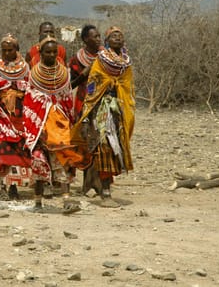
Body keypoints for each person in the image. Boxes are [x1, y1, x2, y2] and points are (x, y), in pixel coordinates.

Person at [72, 26, 135, 208]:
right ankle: (105, 193)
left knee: (117, 149)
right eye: (113, 35)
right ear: (107, 41)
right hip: (101, 108)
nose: (117, 37)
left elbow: (128, 86)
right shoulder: (101, 60)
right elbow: (93, 85)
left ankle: (101, 186)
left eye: (120, 35)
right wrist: (87, 115)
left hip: (118, 108)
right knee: (105, 147)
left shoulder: (125, 62)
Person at [23, 36, 83, 213]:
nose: (51, 55)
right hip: (39, 125)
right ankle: (38, 203)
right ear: (40, 53)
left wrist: (60, 115)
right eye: (47, 52)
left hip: (59, 124)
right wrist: (45, 107)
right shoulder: (33, 74)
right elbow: (29, 100)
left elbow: (66, 99)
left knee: (62, 162)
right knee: (39, 163)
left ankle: (66, 201)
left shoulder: (64, 73)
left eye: (54, 52)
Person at [0, 34, 31, 200]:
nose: (6, 53)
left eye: (10, 50)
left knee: (20, 148)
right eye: (4, 50)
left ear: (17, 49)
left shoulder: (25, 68)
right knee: (3, 147)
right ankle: (6, 185)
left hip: (20, 114)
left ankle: (16, 185)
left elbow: (30, 88)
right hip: (2, 113)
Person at [68, 25, 103, 194]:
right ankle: (88, 183)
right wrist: (85, 73)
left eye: (99, 36)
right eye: (94, 37)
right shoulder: (77, 59)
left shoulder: (107, 57)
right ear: (85, 40)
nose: (98, 39)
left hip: (103, 104)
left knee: (102, 142)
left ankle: (99, 181)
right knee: (87, 142)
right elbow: (70, 85)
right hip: (84, 103)